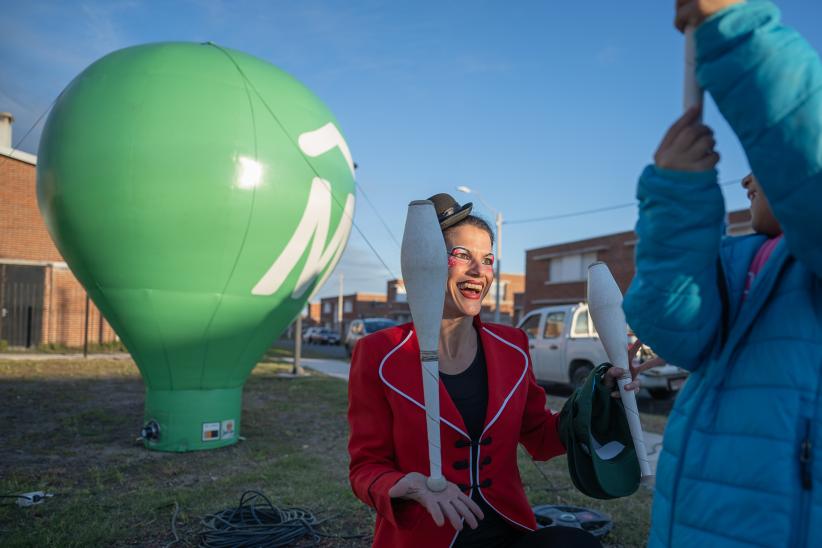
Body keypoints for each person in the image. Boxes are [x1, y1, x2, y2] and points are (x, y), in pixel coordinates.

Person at [623, 1, 822, 546]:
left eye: (765, 162)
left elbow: (808, 153)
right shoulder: (743, 259)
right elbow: (672, 325)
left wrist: (738, 31)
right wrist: (676, 197)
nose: (746, 182)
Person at [348, 193, 638, 547]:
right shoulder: (380, 354)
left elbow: (541, 437)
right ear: (425, 261)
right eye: (462, 256)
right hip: (425, 537)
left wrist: (599, 394)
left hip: (506, 529)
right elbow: (365, 468)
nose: (478, 272)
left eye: (487, 260)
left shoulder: (513, 346)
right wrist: (406, 485)